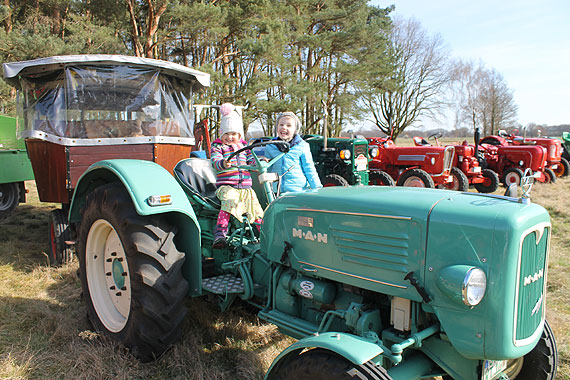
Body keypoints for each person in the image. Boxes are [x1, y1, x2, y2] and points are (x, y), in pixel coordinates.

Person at [210, 103, 263, 248]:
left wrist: (260, 163)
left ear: (239, 135)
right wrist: (223, 163)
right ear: (221, 134)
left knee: (256, 208)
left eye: (233, 134)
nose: (230, 137)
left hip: (246, 188)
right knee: (229, 201)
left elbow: (253, 161)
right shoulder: (218, 147)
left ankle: (264, 234)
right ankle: (220, 233)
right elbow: (215, 162)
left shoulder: (244, 148)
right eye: (226, 134)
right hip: (227, 187)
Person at [264, 112, 322, 194]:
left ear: (295, 130)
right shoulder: (270, 147)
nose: (284, 127)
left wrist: (317, 189)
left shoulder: (302, 146)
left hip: (297, 190)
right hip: (277, 191)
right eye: (281, 125)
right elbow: (267, 170)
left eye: (288, 125)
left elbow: (309, 169)